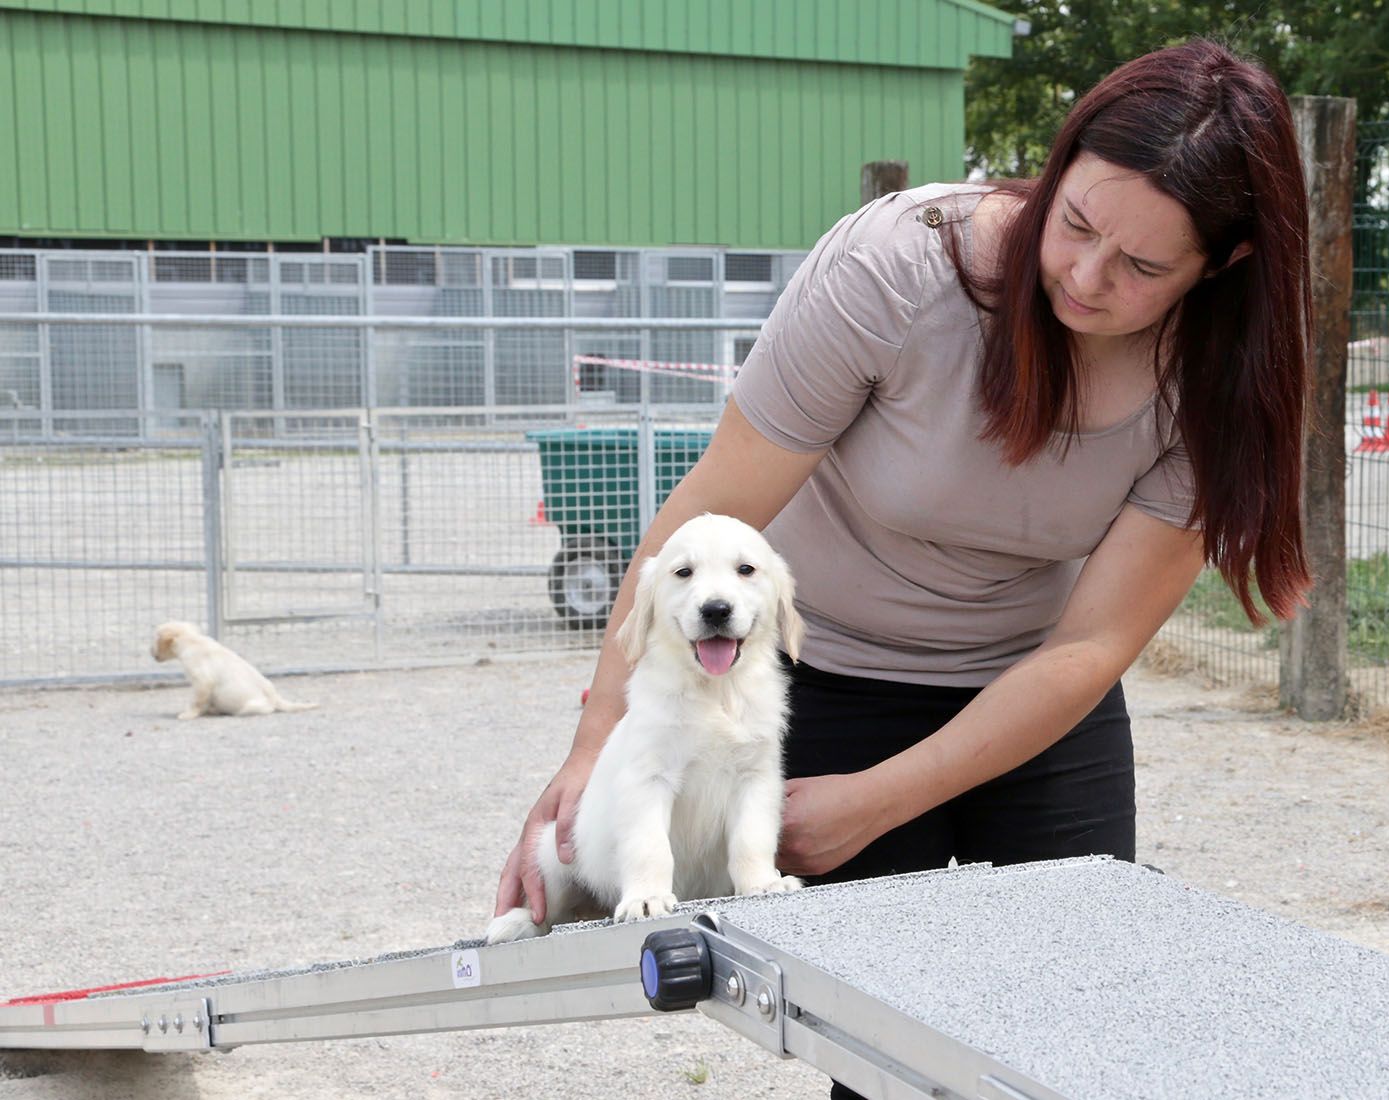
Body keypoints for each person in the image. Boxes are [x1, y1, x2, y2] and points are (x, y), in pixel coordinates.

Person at [493, 38, 1311, 1097]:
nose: (1083, 275)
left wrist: (884, 798)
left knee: (1084, 1019)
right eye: (1075, 222)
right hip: (835, 669)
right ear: (1056, 168)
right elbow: (705, 514)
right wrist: (592, 748)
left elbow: (1094, 643)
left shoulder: (1212, 384)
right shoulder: (897, 270)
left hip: (1035, 691)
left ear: (1224, 264)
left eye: (1143, 266)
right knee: (890, 1053)